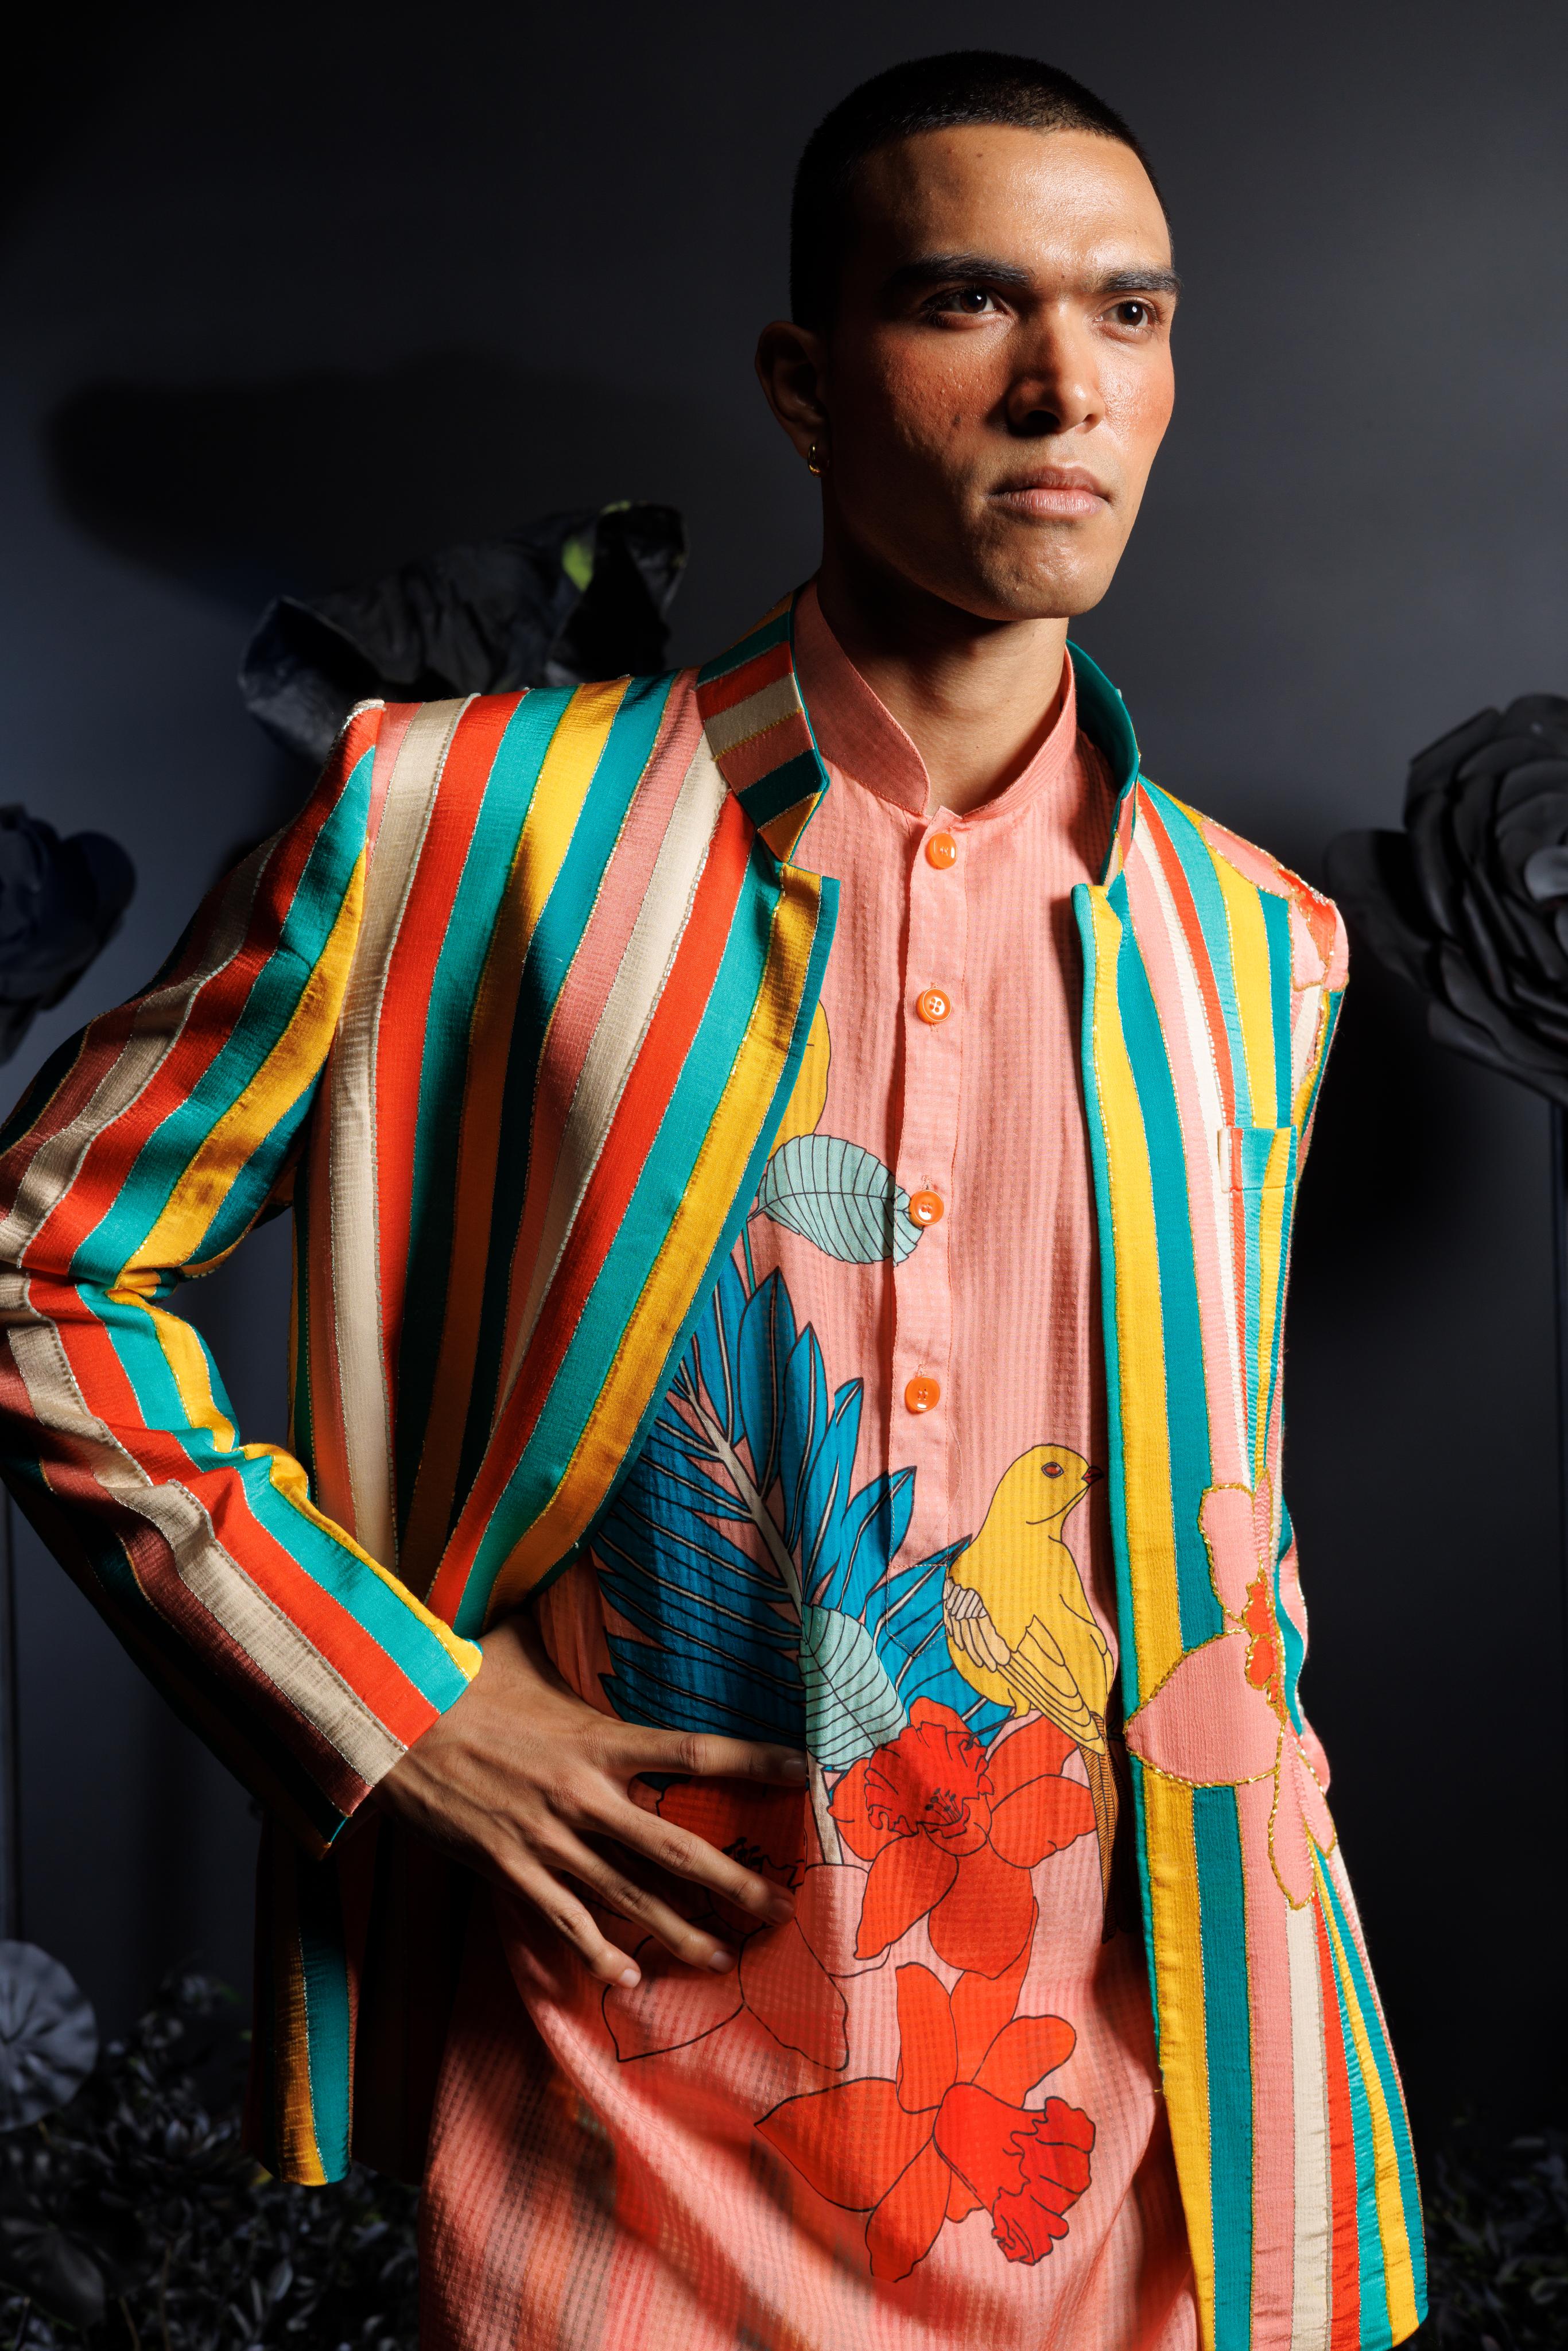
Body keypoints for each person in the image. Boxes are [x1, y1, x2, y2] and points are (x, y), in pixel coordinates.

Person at [0, 49, 1424, 2351]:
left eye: (1129, 313)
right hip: (617, 2141)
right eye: (964, 302)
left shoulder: (1262, 947)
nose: (1062, 383)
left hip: (1145, 2172)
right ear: (801, 379)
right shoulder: (465, 820)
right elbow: (38, 1270)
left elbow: (1209, 1550)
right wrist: (395, 1702)